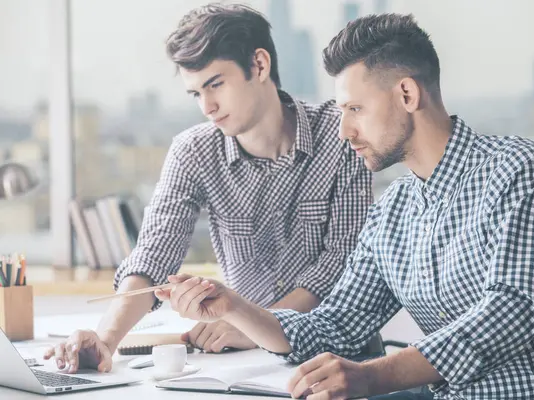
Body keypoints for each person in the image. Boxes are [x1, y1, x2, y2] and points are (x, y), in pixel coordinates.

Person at [155, 12, 534, 400]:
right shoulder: (394, 211)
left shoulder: (519, 169)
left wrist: (369, 377)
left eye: (355, 109)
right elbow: (336, 323)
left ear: (407, 95)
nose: (344, 129)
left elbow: (510, 310)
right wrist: (232, 306)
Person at [43, 4, 372, 374]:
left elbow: (340, 264)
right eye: (195, 93)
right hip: (247, 361)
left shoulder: (341, 133)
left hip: (341, 355)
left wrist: (255, 323)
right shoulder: (193, 150)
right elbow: (154, 253)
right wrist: (106, 339)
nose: (208, 107)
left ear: (259, 66)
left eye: (216, 84)